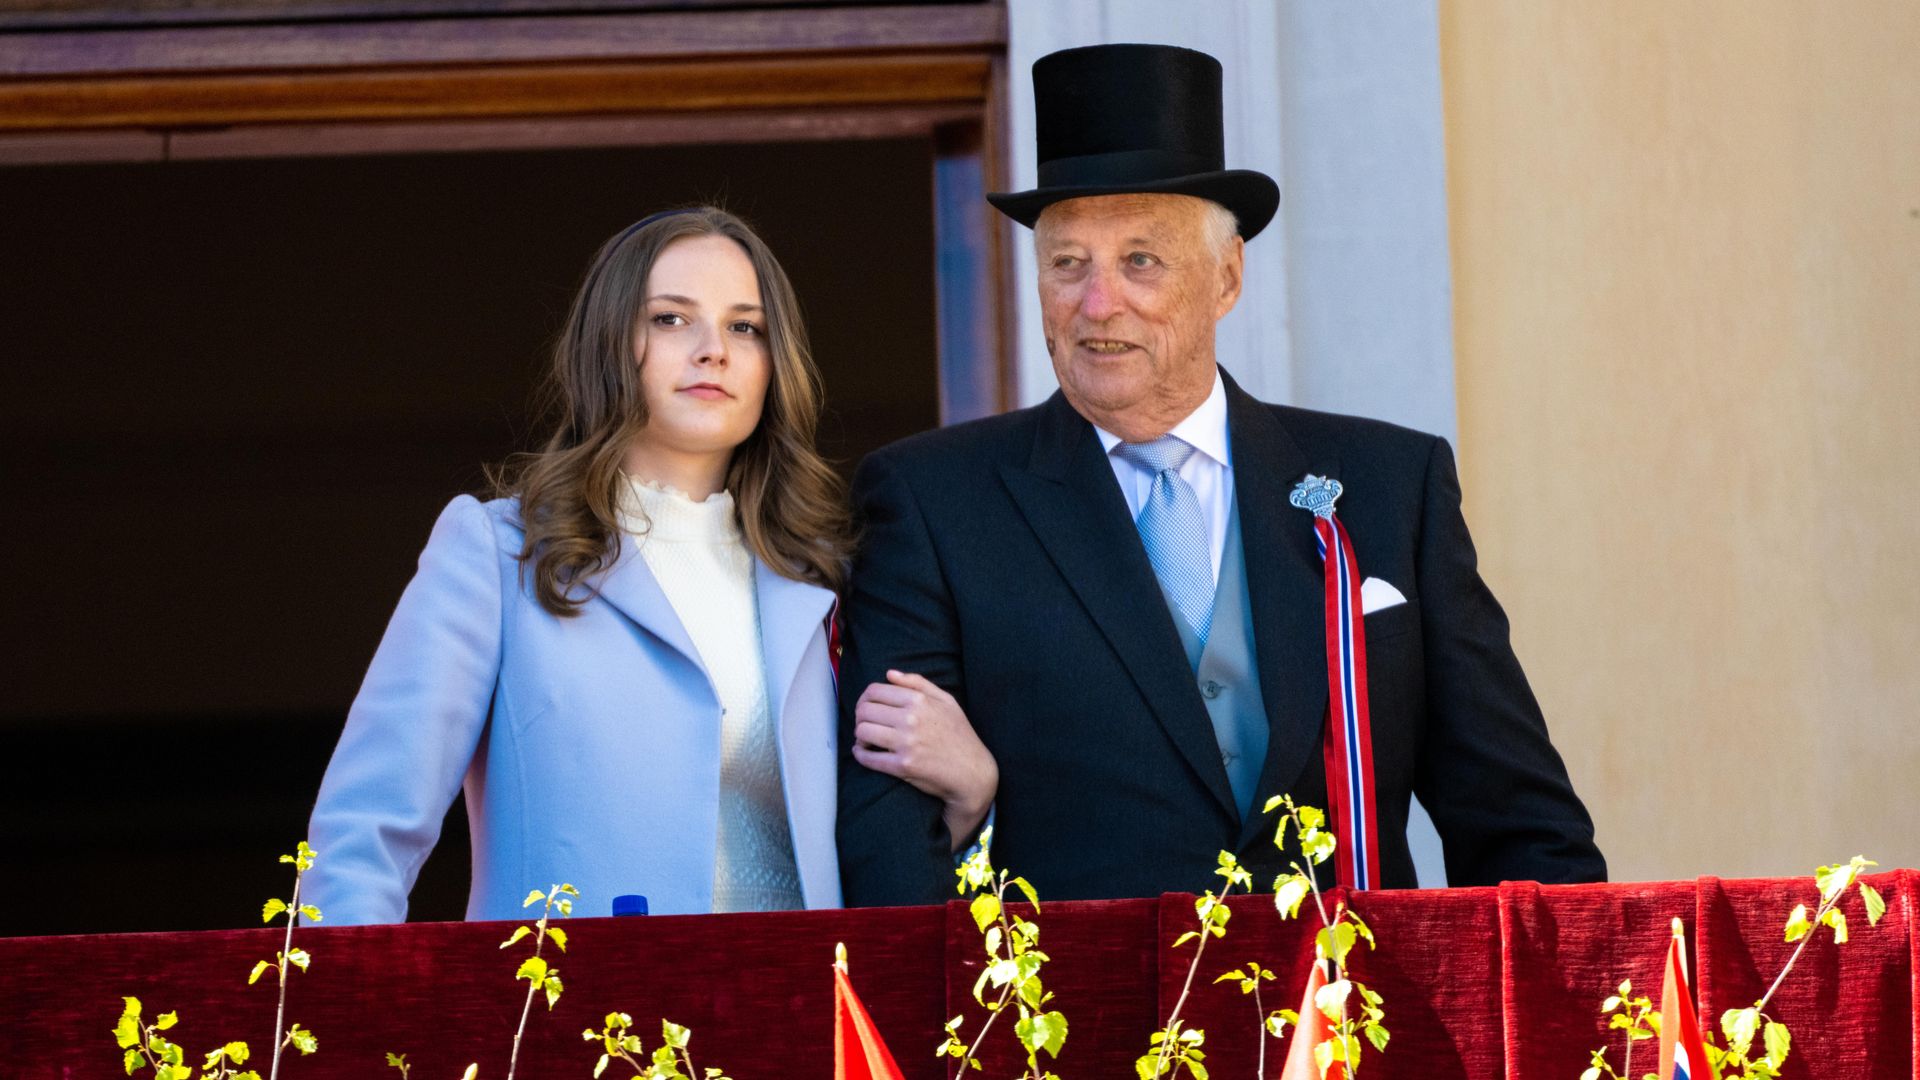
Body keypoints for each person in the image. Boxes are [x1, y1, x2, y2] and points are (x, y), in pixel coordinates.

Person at [836, 44, 1606, 906]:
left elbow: (1519, 826)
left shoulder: (1392, 483)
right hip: (1075, 1030)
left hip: (1355, 1023)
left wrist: (1569, 1020)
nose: (1098, 303)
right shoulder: (932, 503)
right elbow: (888, 860)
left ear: (1227, 277)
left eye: (1141, 260)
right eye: (1067, 264)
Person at [304, 206, 985, 923]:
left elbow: (882, 871)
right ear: (608, 342)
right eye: (670, 319)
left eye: (745, 327)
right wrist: (346, 1019)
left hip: (799, 1019)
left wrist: (972, 795)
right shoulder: (498, 554)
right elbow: (364, 837)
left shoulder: (826, 578)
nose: (712, 349)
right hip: (582, 1026)